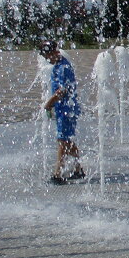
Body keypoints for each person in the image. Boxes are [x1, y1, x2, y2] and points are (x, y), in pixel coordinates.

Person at [40, 40, 84, 183]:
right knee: (67, 140)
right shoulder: (58, 65)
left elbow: (62, 91)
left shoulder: (63, 67)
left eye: (47, 56)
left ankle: (57, 174)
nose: (47, 59)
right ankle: (79, 169)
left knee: (62, 141)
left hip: (67, 109)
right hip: (63, 109)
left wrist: (49, 103)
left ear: (53, 52)